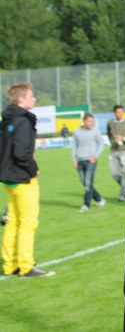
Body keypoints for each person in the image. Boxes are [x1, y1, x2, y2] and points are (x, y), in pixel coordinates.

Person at [0, 83, 54, 278]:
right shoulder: (23, 120)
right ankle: (25, 265)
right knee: (27, 223)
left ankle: (10, 264)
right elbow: (22, 153)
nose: (34, 99)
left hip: (8, 178)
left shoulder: (7, 119)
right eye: (31, 96)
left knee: (13, 221)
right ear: (21, 99)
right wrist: (34, 169)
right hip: (22, 178)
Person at [72, 113, 107, 212]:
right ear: (84, 121)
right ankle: (99, 199)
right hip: (80, 160)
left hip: (90, 161)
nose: (92, 123)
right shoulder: (77, 132)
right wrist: (74, 159)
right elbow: (74, 146)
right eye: (90, 121)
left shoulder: (95, 131)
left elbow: (101, 143)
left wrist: (95, 156)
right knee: (85, 183)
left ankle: (86, 204)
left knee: (88, 183)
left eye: (93, 121)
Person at [107, 105, 125, 202]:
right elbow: (109, 134)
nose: (120, 114)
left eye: (121, 112)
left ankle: (122, 195)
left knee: (123, 173)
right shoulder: (110, 123)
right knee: (114, 173)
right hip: (113, 151)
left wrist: (123, 138)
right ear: (114, 113)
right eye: (118, 112)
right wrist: (113, 142)